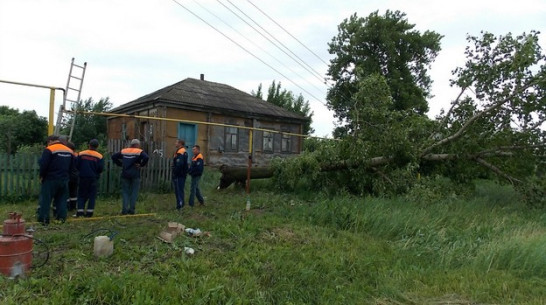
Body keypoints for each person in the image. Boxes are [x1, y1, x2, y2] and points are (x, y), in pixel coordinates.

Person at [37, 135, 75, 224]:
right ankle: (61, 218)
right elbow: (72, 167)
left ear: (50, 141)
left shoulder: (49, 149)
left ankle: (44, 219)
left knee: (46, 200)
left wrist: (41, 176)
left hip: (50, 179)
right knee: (62, 200)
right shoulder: (69, 151)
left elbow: (44, 165)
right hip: (64, 179)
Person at [111, 139, 149, 215]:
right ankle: (131, 210)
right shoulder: (139, 151)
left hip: (125, 174)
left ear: (131, 144)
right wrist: (141, 165)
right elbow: (146, 157)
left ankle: (124, 210)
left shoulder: (124, 151)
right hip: (135, 174)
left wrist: (120, 164)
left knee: (125, 192)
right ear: (137, 145)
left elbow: (113, 157)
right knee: (134, 192)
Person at [75, 139, 104, 217]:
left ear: (89, 145)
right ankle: (89, 213)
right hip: (93, 178)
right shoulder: (99, 156)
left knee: (81, 194)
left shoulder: (81, 154)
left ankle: (80, 212)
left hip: (83, 177)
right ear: (97, 146)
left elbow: (76, 165)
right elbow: (100, 168)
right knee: (92, 196)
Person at [172, 139, 188, 210]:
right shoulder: (182, 151)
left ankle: (180, 205)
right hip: (182, 174)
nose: (175, 143)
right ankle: (181, 204)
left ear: (180, 144)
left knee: (178, 190)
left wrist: (175, 171)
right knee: (180, 189)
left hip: (179, 174)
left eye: (176, 142)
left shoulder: (180, 152)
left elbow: (180, 164)